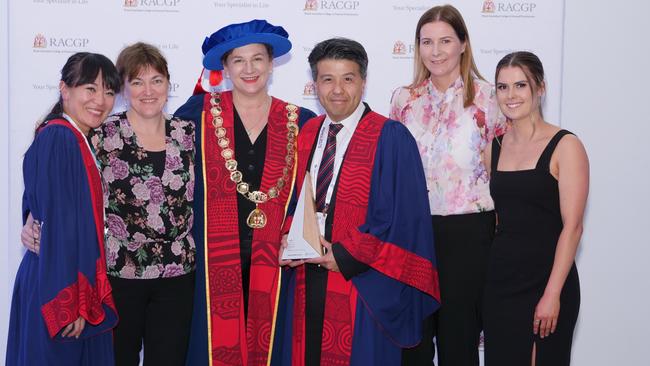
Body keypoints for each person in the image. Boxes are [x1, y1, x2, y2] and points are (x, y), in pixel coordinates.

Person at [21, 43, 197, 365]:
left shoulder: (188, 133)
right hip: (119, 275)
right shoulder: (100, 133)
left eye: (157, 80)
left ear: (168, 85)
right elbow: (54, 182)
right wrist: (32, 214)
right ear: (125, 89)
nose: (148, 90)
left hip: (177, 275)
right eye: (137, 81)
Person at [275, 37, 440, 366]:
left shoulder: (391, 137)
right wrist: (290, 236)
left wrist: (345, 255)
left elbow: (403, 220)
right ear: (315, 84)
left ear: (363, 82)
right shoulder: (307, 132)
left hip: (361, 284)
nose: (337, 90)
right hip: (308, 278)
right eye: (327, 79)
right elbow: (295, 201)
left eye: (348, 79)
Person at [173, 19, 316, 365]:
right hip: (211, 264)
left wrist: (303, 236)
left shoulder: (303, 121)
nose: (249, 69)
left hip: (278, 263)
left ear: (271, 62)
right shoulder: (196, 115)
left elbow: (318, 194)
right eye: (238, 60)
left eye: (257, 59)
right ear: (224, 67)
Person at [389, 5, 506, 365]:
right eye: (427, 42)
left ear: (463, 45)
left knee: (459, 339)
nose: (435, 51)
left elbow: (505, 174)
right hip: (414, 232)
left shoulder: (489, 99)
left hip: (469, 232)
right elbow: (394, 172)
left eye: (445, 41)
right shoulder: (403, 99)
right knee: (414, 339)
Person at [6, 52, 120, 366]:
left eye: (109, 92)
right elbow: (59, 226)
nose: (101, 100)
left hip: (66, 276)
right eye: (91, 89)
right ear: (64, 89)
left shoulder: (76, 138)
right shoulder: (60, 138)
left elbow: (43, 210)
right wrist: (72, 303)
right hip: (60, 285)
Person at [482, 51, 587, 366]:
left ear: (539, 88)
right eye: (502, 87)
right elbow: (498, 218)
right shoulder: (494, 148)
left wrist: (552, 293)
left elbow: (573, 227)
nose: (510, 96)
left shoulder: (566, 145)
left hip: (548, 279)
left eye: (520, 85)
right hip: (501, 282)